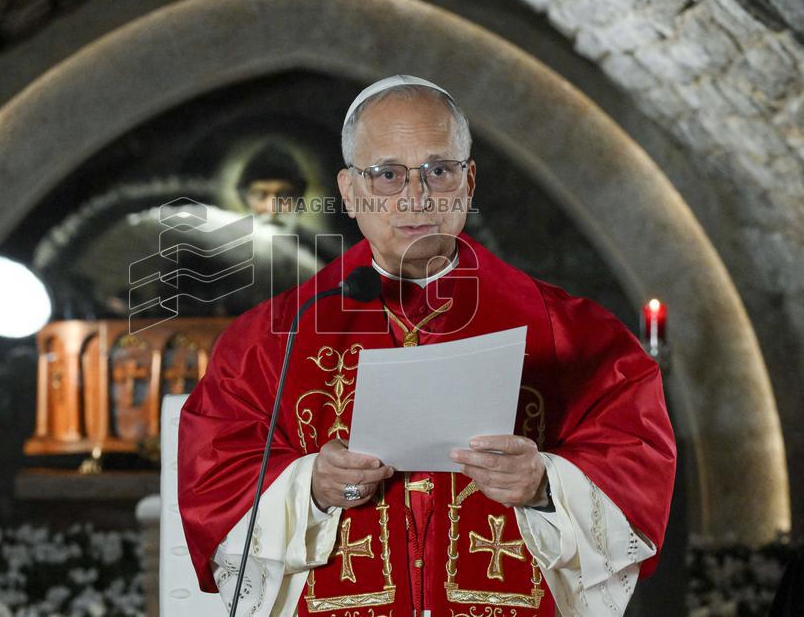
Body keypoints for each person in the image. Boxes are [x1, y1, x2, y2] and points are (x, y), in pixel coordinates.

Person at [178, 75, 677, 617]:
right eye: (388, 174)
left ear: (468, 183)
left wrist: (545, 485)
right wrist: (312, 487)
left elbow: (637, 470)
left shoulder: (577, 335)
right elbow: (215, 481)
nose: (416, 196)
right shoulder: (270, 339)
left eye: (439, 171)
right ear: (350, 192)